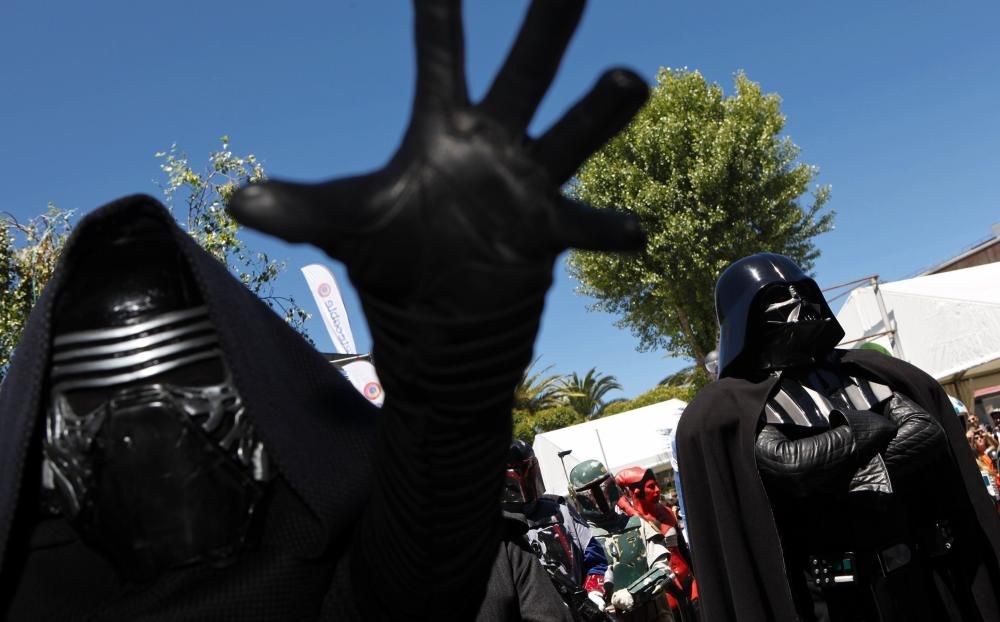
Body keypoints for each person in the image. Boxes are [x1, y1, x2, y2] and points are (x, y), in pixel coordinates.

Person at [0, 1, 650, 619]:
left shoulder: (335, 590)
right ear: (46, 460)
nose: (146, 432)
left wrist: (457, 351)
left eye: (190, 380)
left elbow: (428, 538)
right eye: (93, 400)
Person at [677, 252, 1000, 622]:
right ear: (745, 315)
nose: (799, 306)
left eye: (802, 291)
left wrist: (843, 469)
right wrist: (866, 429)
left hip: (915, 577)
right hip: (828, 599)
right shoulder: (729, 408)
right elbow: (786, 465)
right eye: (777, 298)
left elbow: (925, 433)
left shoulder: (864, 373)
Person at [503, 441, 610, 620]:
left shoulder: (559, 509)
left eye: (528, 469)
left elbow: (596, 560)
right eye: (517, 471)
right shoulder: (498, 528)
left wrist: (594, 592)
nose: (525, 478)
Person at [569, 460, 676, 621]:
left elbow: (663, 569)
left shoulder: (639, 525)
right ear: (576, 495)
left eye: (603, 485)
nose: (599, 495)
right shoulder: (580, 540)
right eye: (588, 490)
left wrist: (634, 592)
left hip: (653, 614)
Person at [615, 468, 697, 621]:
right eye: (651, 486)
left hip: (689, 584)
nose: (658, 490)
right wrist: (625, 505)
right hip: (665, 591)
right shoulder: (631, 523)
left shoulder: (665, 511)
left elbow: (683, 548)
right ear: (637, 491)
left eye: (657, 485)